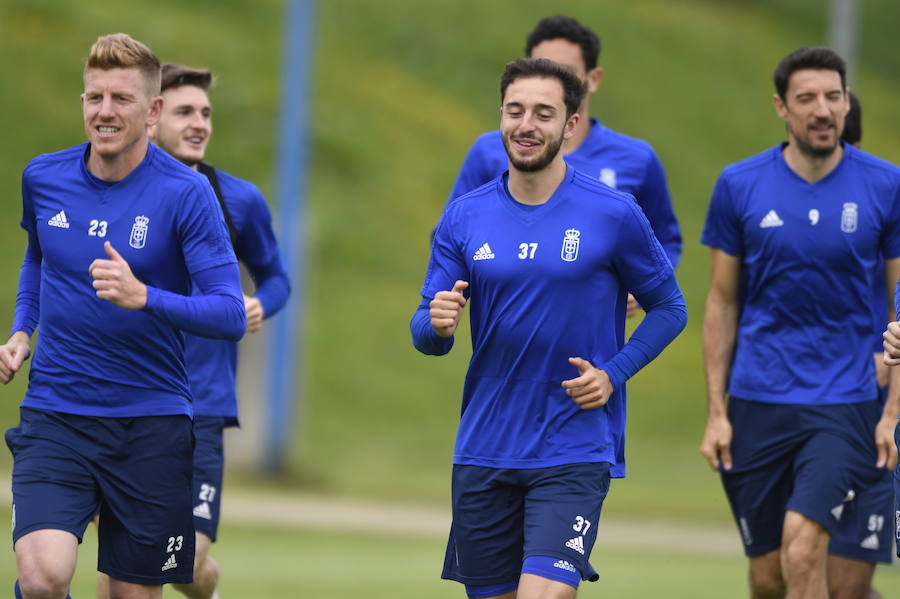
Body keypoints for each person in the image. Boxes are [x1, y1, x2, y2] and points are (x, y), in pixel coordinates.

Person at [412, 57, 686, 599]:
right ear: (501, 118)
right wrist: (436, 325)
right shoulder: (464, 216)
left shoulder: (613, 212)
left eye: (544, 113)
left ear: (572, 124)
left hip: (574, 446)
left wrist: (613, 374)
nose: (526, 125)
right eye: (515, 111)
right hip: (484, 448)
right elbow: (425, 331)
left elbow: (670, 308)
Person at [0, 34, 246, 599]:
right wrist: (21, 329)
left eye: (121, 99)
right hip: (56, 416)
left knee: (131, 594)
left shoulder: (187, 194)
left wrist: (146, 297)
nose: (104, 112)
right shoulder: (44, 178)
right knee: (42, 578)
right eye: (94, 98)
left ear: (152, 110)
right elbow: (38, 258)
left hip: (152, 427)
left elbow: (230, 312)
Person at [700, 47, 900, 599]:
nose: (822, 110)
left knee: (804, 547)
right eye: (807, 98)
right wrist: (716, 412)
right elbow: (721, 304)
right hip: (756, 400)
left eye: (833, 97)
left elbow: (899, 302)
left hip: (845, 398)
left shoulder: (886, 185)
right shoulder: (738, 185)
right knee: (769, 577)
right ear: (781, 108)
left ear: (845, 102)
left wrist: (893, 410)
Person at [93, 64, 291, 599]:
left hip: (201, 405)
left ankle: (208, 588)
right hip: (125, 401)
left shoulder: (239, 200)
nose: (199, 123)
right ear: (152, 118)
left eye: (205, 113)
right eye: (185, 112)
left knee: (190, 557)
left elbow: (277, 278)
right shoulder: (112, 194)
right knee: (122, 569)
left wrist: (258, 303)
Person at [448, 15, 681, 320]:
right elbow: (452, 237)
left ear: (593, 78)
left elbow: (665, 239)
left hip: (595, 343)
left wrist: (639, 288)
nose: (551, 82)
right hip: (507, 335)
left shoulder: (636, 159)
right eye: (541, 67)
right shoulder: (488, 152)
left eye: (566, 72)